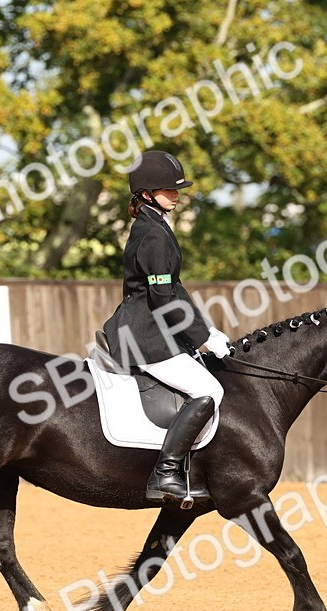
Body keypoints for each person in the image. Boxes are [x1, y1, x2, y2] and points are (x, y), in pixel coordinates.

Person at [101, 150, 231, 504]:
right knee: (209, 391)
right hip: (145, 336)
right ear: (146, 194)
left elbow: (175, 289)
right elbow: (162, 298)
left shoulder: (155, 225)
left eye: (178, 189)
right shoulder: (154, 235)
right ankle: (166, 474)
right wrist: (203, 338)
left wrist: (207, 331)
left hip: (151, 329)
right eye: (167, 189)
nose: (176, 194)